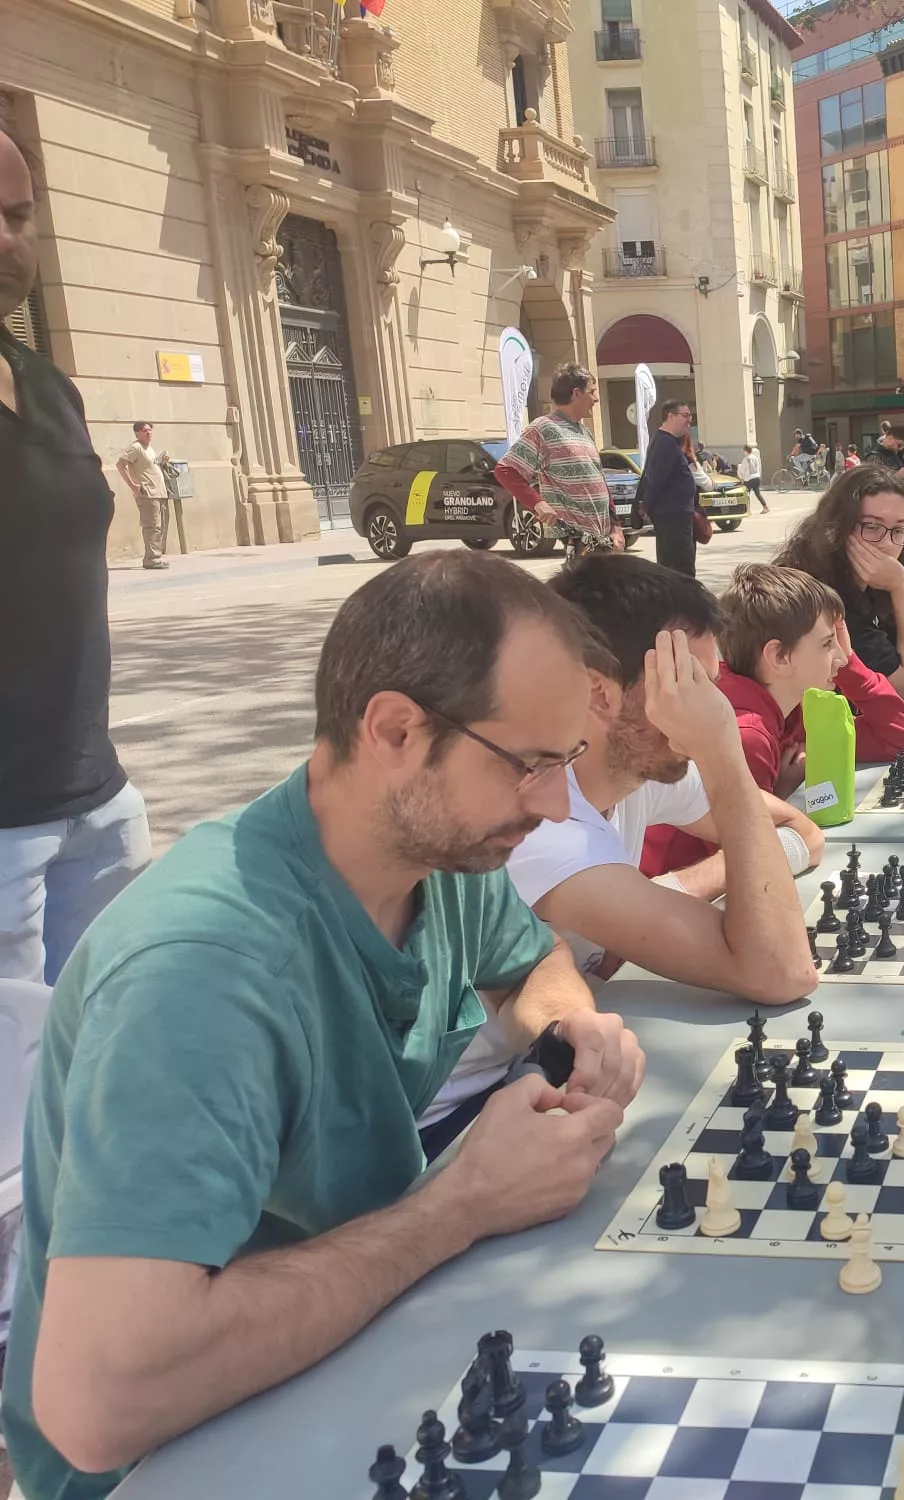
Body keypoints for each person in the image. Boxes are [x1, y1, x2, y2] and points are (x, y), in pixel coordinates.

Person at [0, 551, 647, 1499]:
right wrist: (458, 1205)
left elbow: (532, 961)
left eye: (567, 764)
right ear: (394, 728)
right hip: (175, 1459)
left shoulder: (435, 854)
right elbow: (98, 1406)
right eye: (530, 765)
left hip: (359, 1358)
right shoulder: (202, 976)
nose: (552, 803)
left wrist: (571, 1026)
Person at [411, 555, 823, 1155]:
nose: (712, 709)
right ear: (602, 692)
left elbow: (801, 831)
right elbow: (781, 971)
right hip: (450, 1123)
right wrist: (722, 752)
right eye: (688, 687)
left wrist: (672, 894)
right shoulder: (543, 826)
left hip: (542, 1069)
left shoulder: (642, 768)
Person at [1, 125, 154, 990]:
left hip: (95, 805)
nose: (6, 239)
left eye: (19, 215)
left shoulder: (49, 387)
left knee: (102, 1071)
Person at [716, 564, 904, 797]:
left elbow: (902, 743)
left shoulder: (795, 711)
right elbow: (744, 832)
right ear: (780, 657)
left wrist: (848, 666)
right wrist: (781, 795)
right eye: (827, 644)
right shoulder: (746, 737)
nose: (842, 655)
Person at [772, 463, 904, 704]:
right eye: (872, 527)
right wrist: (902, 585)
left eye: (899, 529)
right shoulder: (819, 597)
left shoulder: (877, 583)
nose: (887, 544)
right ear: (839, 526)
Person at [494, 363, 622, 553]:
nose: (596, 399)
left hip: (604, 540)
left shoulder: (584, 431)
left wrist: (616, 527)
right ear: (576, 393)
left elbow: (601, 483)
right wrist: (538, 503)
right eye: (592, 391)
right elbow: (505, 470)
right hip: (578, 539)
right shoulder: (543, 429)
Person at [632, 399, 699, 575]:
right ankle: (684, 600)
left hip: (673, 515)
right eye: (685, 415)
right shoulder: (665, 443)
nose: (689, 420)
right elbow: (657, 479)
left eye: (690, 416)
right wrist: (646, 506)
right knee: (681, 566)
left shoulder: (666, 441)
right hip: (673, 516)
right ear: (670, 416)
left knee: (672, 565)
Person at [115, 419, 172, 570]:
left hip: (159, 492)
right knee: (152, 526)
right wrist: (133, 485)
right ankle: (151, 559)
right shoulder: (136, 448)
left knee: (159, 526)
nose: (149, 433)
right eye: (145, 430)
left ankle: (156, 556)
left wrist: (163, 462)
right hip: (147, 493)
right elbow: (121, 464)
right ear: (137, 433)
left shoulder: (149, 449)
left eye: (150, 430)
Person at [740, 444, 768, 513]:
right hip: (756, 477)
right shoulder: (755, 457)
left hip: (749, 479)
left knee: (746, 494)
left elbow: (742, 469)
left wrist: (741, 476)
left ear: (746, 451)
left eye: (744, 451)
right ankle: (765, 507)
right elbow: (758, 467)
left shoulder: (746, 459)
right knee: (757, 493)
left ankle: (747, 509)